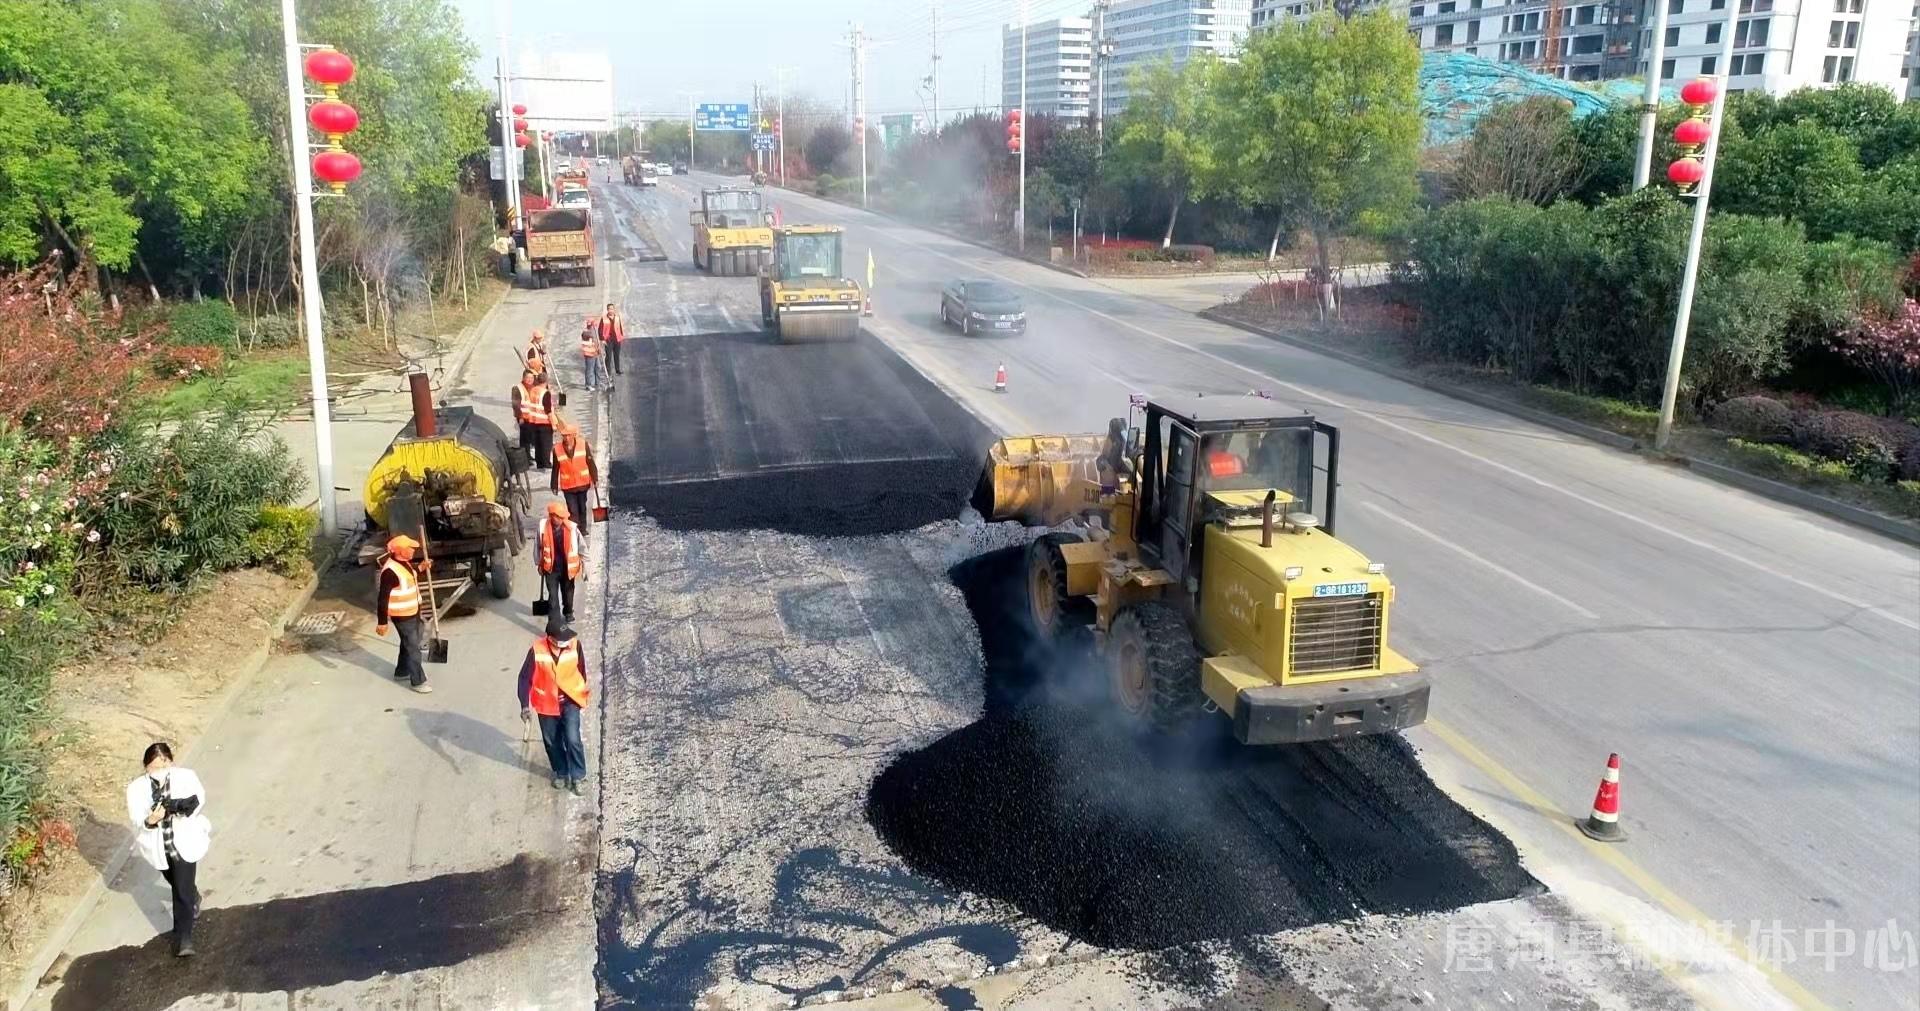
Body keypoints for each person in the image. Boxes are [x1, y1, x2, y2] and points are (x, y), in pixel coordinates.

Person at [126, 742, 210, 957]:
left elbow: (197, 800)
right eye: (153, 768)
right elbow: (137, 819)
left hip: (184, 841)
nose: (159, 772)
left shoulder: (186, 776)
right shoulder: (136, 788)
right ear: (146, 767)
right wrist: (151, 819)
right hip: (158, 845)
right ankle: (193, 895)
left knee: (180, 890)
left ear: (170, 762)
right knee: (174, 879)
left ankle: (183, 939)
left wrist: (179, 808)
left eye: (163, 766)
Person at [517, 622, 591, 794]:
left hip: (570, 700)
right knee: (552, 742)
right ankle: (562, 771)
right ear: (550, 639)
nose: (567, 641)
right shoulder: (537, 650)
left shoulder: (575, 645)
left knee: (573, 739)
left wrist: (582, 695)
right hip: (547, 703)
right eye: (562, 639)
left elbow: (581, 670)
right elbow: (524, 678)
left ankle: (578, 775)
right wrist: (524, 706)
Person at [374, 534, 434, 694]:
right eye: (410, 548)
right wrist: (382, 622)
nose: (413, 549)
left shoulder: (403, 563)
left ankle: (402, 671)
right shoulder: (389, 572)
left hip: (413, 611)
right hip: (401, 615)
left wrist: (421, 567)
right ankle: (418, 681)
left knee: (411, 640)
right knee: (413, 646)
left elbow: (410, 574)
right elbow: (382, 599)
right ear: (400, 551)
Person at [537, 500, 584, 623]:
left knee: (568, 594)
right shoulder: (543, 528)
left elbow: (582, 547)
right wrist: (539, 563)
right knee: (552, 597)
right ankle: (554, 620)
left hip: (567, 568)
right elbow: (538, 546)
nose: (561, 519)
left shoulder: (572, 529)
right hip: (551, 569)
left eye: (562, 517)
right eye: (558, 517)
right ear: (552, 516)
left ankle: (568, 612)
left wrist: (586, 568)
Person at [551, 420, 600, 534]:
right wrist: (553, 484)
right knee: (572, 510)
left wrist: (595, 477)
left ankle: (583, 529)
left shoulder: (583, 444)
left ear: (574, 435)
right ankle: (576, 531)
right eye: (564, 435)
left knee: (582, 507)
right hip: (568, 486)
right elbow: (555, 468)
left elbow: (590, 462)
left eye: (568, 435)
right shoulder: (557, 449)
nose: (566, 438)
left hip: (583, 484)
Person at [512, 368, 556, 471]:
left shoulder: (533, 388)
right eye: (528, 377)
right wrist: (520, 417)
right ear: (523, 378)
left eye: (532, 378)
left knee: (532, 440)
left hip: (532, 419)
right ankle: (530, 459)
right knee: (528, 441)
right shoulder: (518, 388)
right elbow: (516, 404)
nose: (530, 380)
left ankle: (531, 458)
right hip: (529, 418)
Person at [599, 304, 625, 376]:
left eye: (612, 309)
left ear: (614, 309)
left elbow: (620, 326)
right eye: (609, 309)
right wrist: (602, 339)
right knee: (609, 356)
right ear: (607, 310)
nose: (611, 310)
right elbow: (600, 330)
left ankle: (617, 370)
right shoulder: (604, 319)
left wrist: (621, 336)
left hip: (617, 339)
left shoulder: (617, 317)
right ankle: (608, 371)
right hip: (608, 340)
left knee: (617, 355)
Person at [579, 319, 606, 393]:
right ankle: (588, 385)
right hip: (589, 353)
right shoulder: (586, 332)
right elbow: (587, 337)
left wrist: (599, 348)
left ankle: (598, 383)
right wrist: (593, 331)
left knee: (598, 367)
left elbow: (596, 341)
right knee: (590, 369)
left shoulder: (594, 331)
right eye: (591, 325)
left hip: (595, 352)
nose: (593, 326)